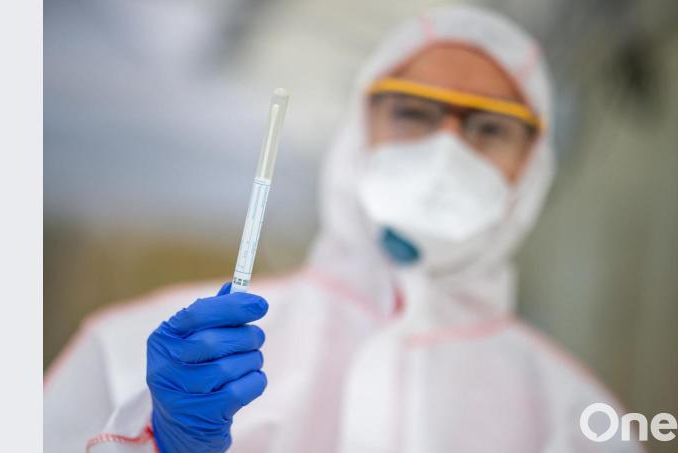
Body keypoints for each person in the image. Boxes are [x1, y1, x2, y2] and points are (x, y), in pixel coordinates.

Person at [44, 6, 639, 453]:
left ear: (533, 166)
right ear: (358, 131)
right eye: (415, 112)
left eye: (488, 128)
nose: (445, 151)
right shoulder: (133, 352)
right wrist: (155, 440)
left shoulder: (576, 419)